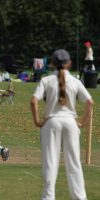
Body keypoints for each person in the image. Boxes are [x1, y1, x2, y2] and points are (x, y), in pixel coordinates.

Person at [30, 49, 93, 200]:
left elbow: (33, 101)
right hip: (71, 123)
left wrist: (38, 121)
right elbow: (90, 102)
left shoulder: (46, 80)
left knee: (50, 163)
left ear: (52, 63)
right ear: (69, 63)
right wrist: (82, 123)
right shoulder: (76, 81)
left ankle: (48, 197)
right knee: (74, 164)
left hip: (51, 123)